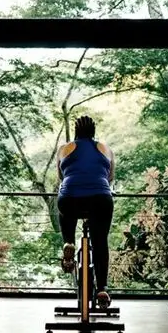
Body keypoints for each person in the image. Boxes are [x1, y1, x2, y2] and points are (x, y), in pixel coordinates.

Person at [56, 115, 116, 307]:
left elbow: (61, 177)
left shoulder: (64, 149)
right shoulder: (106, 149)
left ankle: (68, 242)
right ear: (93, 132)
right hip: (100, 198)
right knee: (100, 243)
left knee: (64, 208)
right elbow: (110, 177)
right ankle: (102, 289)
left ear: (75, 131)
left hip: (70, 198)